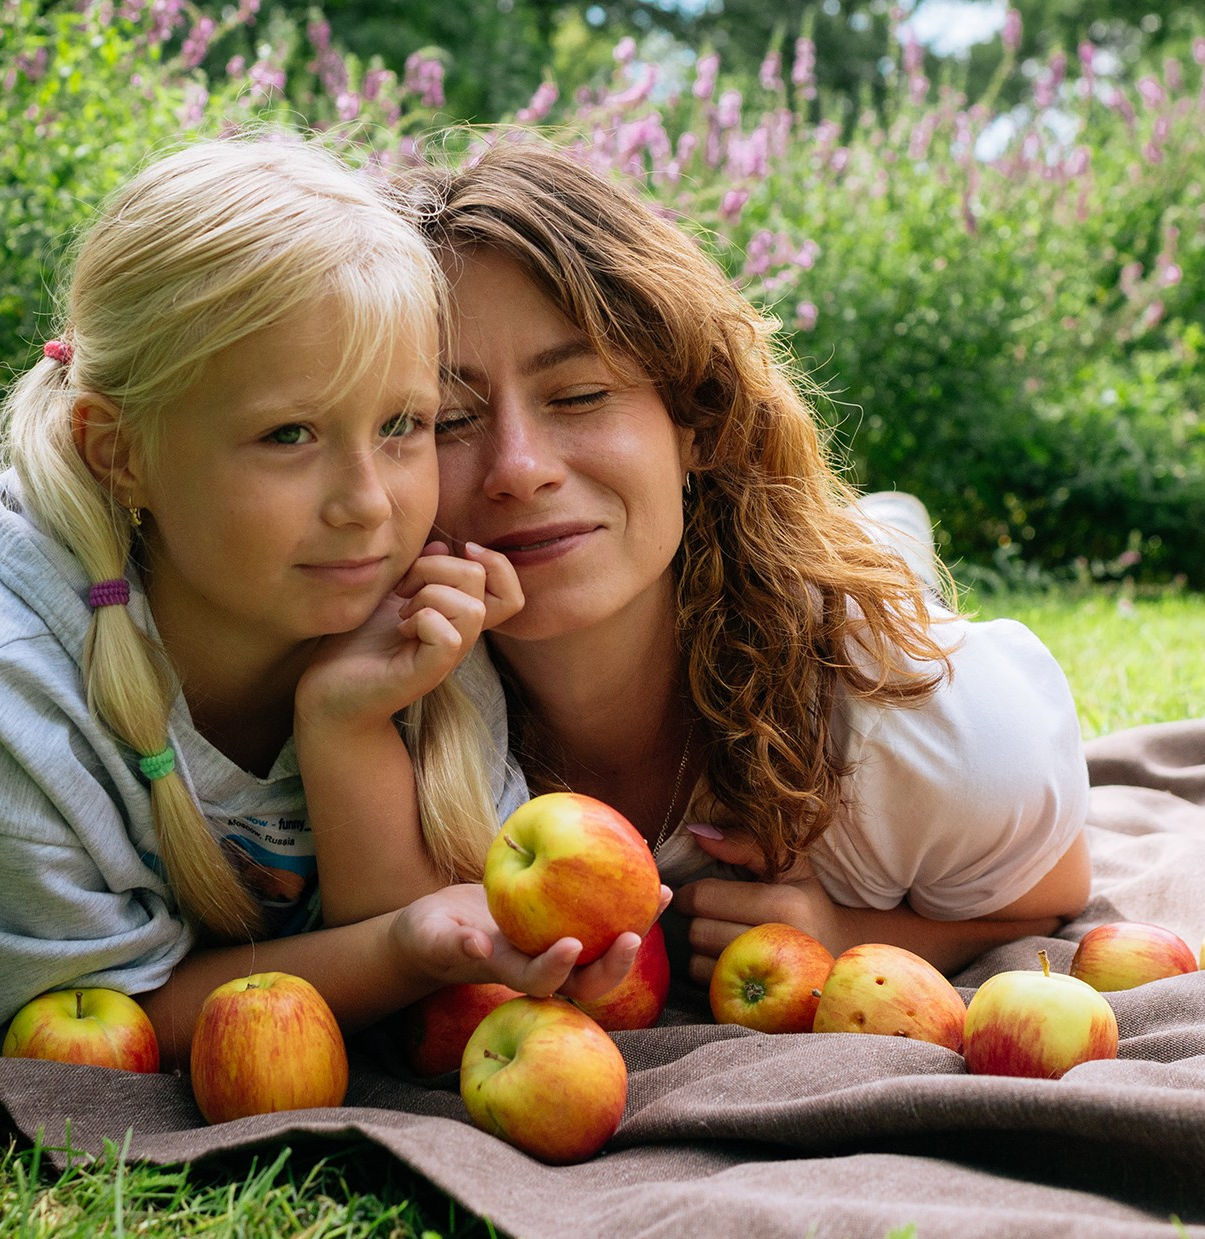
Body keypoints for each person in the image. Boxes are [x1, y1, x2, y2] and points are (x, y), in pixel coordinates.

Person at [0, 139, 650, 1064]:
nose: (368, 503)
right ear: (119, 452)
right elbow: (102, 1029)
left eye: (403, 424)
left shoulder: (409, 610)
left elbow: (409, 968)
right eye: (289, 435)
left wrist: (346, 725)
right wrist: (403, 947)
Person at [389, 140, 1092, 985]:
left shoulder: (912, 720)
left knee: (881, 554)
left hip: (817, 593)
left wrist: (842, 930)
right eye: (450, 418)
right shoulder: (370, 701)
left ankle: (884, 531)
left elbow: (1050, 893)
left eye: (580, 395)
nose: (519, 467)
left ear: (698, 422)